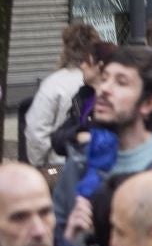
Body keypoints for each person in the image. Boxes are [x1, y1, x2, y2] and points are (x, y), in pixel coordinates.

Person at [52, 46, 152, 235]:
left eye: (121, 82)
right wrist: (72, 237)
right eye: (104, 79)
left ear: (148, 103)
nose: (104, 90)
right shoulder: (81, 160)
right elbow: (53, 241)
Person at [21, 24, 98, 171]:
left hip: (59, 166)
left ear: (65, 48)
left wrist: (39, 165)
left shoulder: (53, 84)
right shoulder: (104, 82)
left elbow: (36, 131)